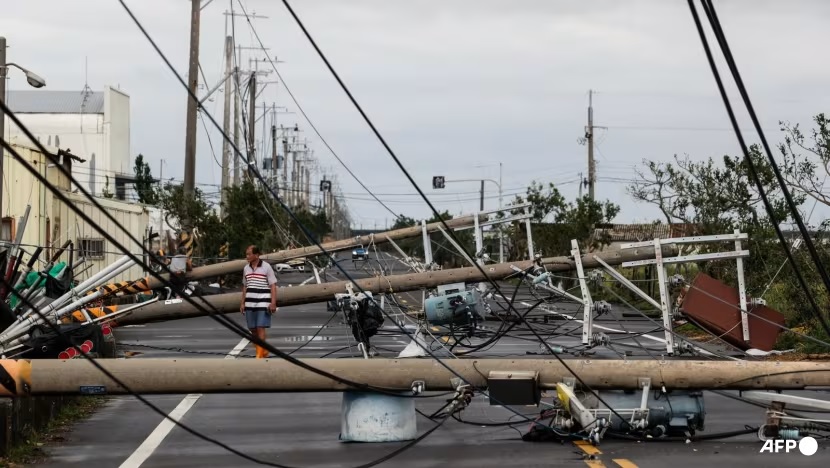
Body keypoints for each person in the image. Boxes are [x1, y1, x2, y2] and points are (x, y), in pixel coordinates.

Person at [240, 245, 278, 358]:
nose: (247, 256)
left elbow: (273, 286)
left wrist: (273, 302)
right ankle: (262, 350)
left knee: (260, 327)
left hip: (263, 301)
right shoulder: (246, 268)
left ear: (256, 255)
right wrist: (242, 302)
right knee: (252, 329)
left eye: (249, 254)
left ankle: (259, 354)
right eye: (246, 254)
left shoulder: (266, 267)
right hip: (249, 302)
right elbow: (245, 287)